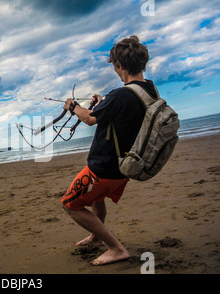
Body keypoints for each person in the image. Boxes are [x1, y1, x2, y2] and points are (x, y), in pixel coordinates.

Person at [61, 35, 158, 265]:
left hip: (103, 169)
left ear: (120, 66)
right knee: (97, 198)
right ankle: (96, 237)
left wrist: (73, 106)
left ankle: (116, 248)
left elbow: (89, 119)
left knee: (70, 205)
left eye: (114, 66)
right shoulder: (149, 90)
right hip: (125, 166)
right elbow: (123, 111)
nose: (115, 70)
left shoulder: (120, 95)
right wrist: (102, 101)